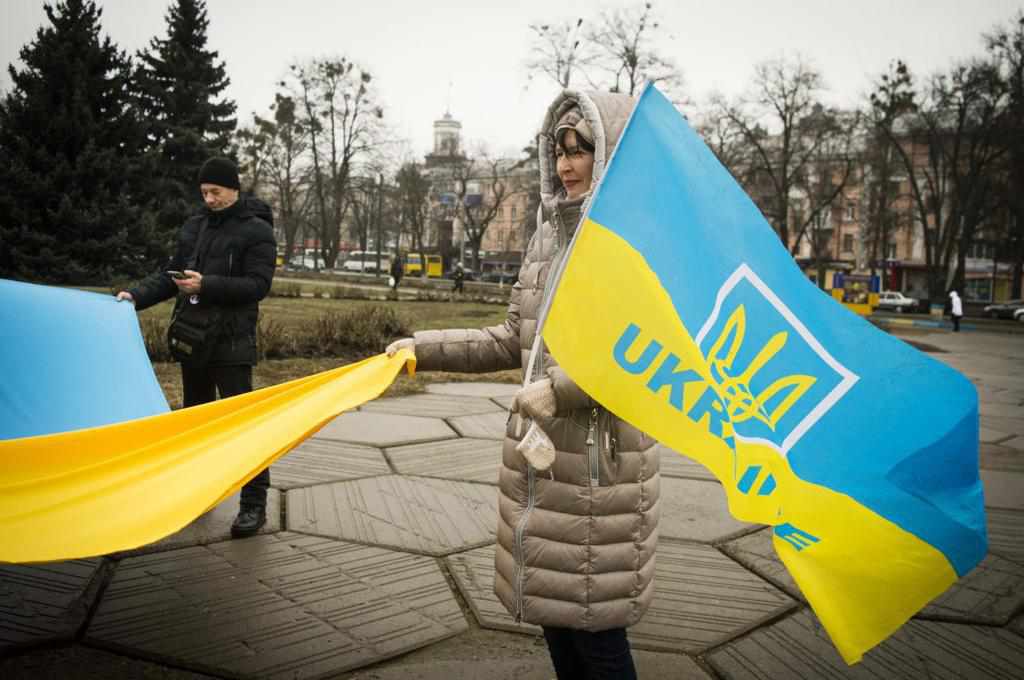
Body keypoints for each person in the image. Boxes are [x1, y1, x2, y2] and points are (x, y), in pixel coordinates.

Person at [387, 92, 657, 680]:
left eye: (581, 149)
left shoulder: (634, 242)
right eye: (559, 150)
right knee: (559, 622)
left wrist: (562, 390)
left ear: (609, 155)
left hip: (598, 467)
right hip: (541, 461)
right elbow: (514, 338)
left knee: (597, 632)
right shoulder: (545, 237)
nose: (567, 163)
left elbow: (643, 352)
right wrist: (422, 347)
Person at [116, 157, 277, 538]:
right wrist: (134, 296)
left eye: (216, 192)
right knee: (196, 421)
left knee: (244, 425)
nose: (209, 199)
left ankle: (253, 505)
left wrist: (208, 285)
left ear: (233, 189)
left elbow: (258, 285)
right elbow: (171, 274)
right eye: (204, 192)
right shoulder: (194, 226)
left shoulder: (257, 231)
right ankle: (198, 496)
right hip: (194, 338)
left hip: (233, 341)